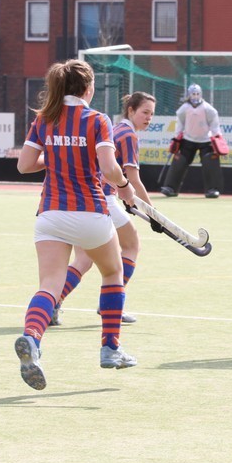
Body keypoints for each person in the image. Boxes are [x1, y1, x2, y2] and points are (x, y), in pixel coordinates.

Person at [14, 59, 138, 391]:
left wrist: (56, 156)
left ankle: (32, 339)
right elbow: (109, 169)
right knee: (112, 272)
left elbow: (25, 165)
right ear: (88, 88)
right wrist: (125, 187)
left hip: (50, 215)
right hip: (89, 213)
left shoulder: (44, 119)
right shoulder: (97, 119)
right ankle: (110, 348)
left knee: (49, 285)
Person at [52, 91, 159, 327]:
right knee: (131, 245)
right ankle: (111, 305)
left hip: (86, 198)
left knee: (83, 259)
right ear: (131, 110)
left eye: (152, 114)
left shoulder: (117, 129)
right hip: (104, 199)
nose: (149, 118)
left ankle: (53, 304)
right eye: (145, 112)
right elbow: (133, 178)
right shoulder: (128, 135)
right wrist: (153, 214)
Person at [160, 83, 224, 198]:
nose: (195, 96)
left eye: (197, 94)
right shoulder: (184, 109)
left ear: (201, 94)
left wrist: (217, 137)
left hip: (205, 140)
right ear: (189, 95)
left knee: (210, 161)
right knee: (179, 160)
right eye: (193, 94)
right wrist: (176, 138)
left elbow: (215, 126)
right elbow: (179, 125)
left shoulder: (208, 109)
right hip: (188, 139)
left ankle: (212, 189)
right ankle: (171, 188)